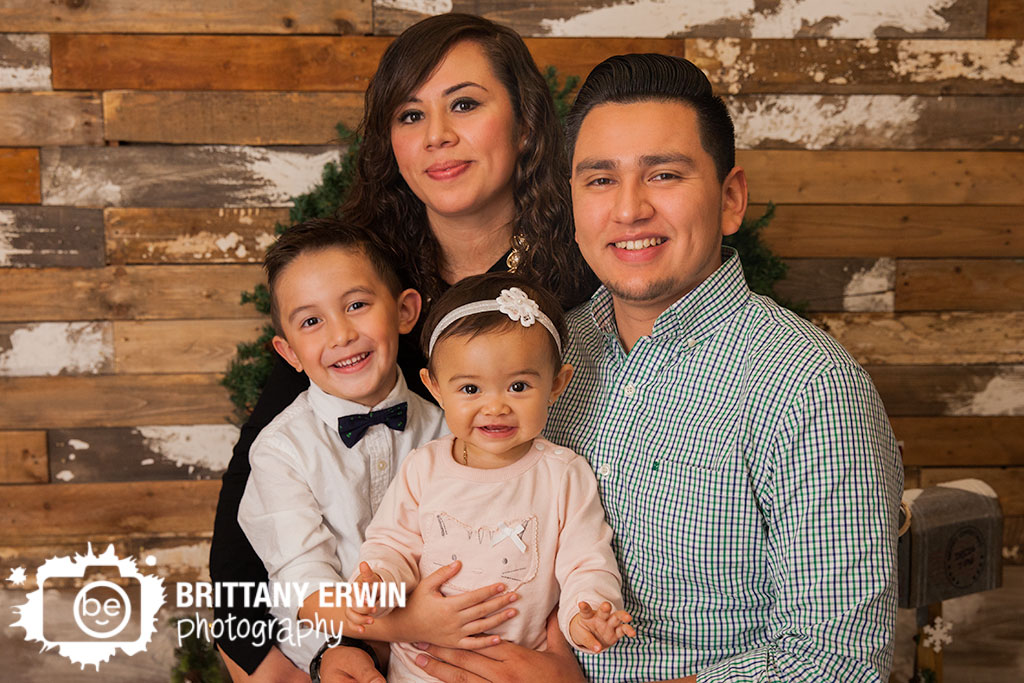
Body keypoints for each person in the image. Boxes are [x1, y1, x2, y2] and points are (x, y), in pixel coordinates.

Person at [412, 54, 903, 683]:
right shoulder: (547, 354)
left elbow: (840, 660)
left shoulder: (807, 386)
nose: (628, 209)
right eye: (599, 180)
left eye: (664, 175)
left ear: (730, 199)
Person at [210, 13, 596, 681]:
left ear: (527, 123)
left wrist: (565, 652)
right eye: (410, 115)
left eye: (465, 104)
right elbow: (252, 522)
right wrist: (299, 656)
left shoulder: (584, 282)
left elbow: (608, 495)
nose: (438, 135)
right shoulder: (357, 289)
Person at [331, 274, 634, 681]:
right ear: (435, 388)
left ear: (557, 384)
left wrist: (588, 614)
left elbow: (587, 561)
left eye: (519, 386)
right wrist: (379, 585)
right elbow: (393, 545)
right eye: (471, 389)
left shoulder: (562, 475)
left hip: (512, 670)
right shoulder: (425, 468)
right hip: (418, 671)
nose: (495, 407)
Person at [235, 218, 448, 671]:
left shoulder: (450, 431)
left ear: (405, 311)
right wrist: (397, 629)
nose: (341, 335)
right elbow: (300, 580)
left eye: (356, 304)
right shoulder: (281, 451)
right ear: (289, 352)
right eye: (311, 321)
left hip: (443, 651)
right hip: (333, 648)